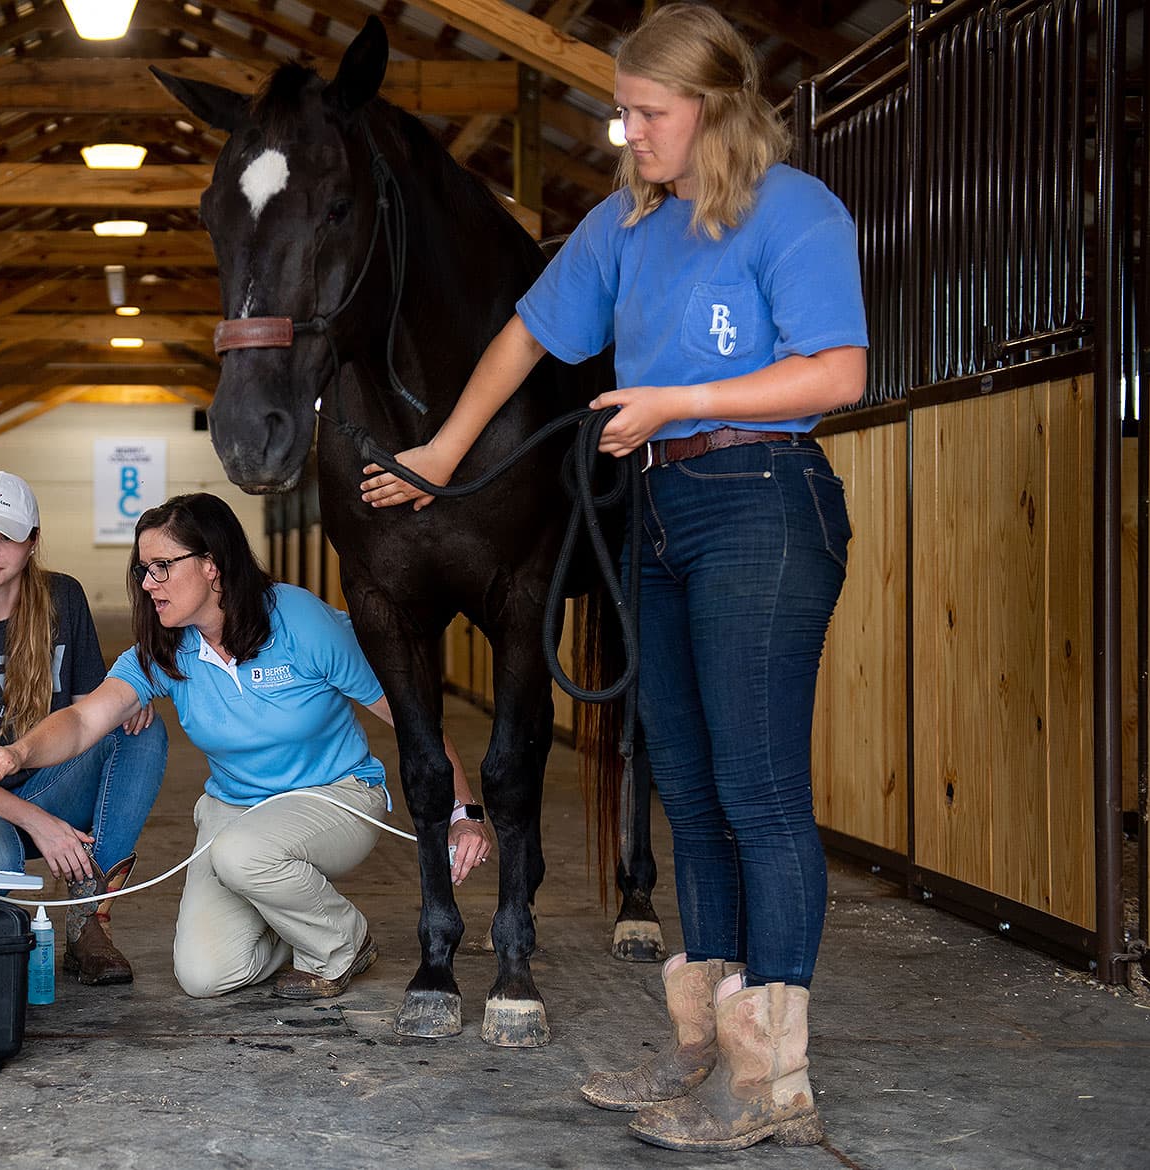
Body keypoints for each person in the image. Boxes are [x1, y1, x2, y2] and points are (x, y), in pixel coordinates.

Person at [359, 3, 863, 1152]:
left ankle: (774, 1081)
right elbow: (526, 336)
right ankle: (706, 1051)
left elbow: (835, 369)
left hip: (762, 502)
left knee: (759, 792)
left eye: (647, 112)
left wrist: (677, 400)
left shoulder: (792, 212)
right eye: (619, 109)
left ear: (717, 109)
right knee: (682, 787)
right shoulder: (625, 222)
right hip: (660, 508)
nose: (623, 131)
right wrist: (439, 456)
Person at [0, 492, 491, 1001]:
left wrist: (463, 811)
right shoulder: (167, 647)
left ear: (211, 565)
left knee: (244, 854)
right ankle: (282, 907)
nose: (148, 583)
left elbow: (413, 719)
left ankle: (342, 943)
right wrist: (19, 753)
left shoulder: (300, 621)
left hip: (336, 797)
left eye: (163, 566)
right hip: (237, 811)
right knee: (205, 975)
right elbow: (83, 718)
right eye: (143, 570)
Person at [0, 471, 169, 985]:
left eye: (7, 537)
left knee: (140, 730)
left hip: (45, 782)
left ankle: (88, 920)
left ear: (33, 541)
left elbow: (89, 718)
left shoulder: (63, 598)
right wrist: (36, 821)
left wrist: (123, 706)